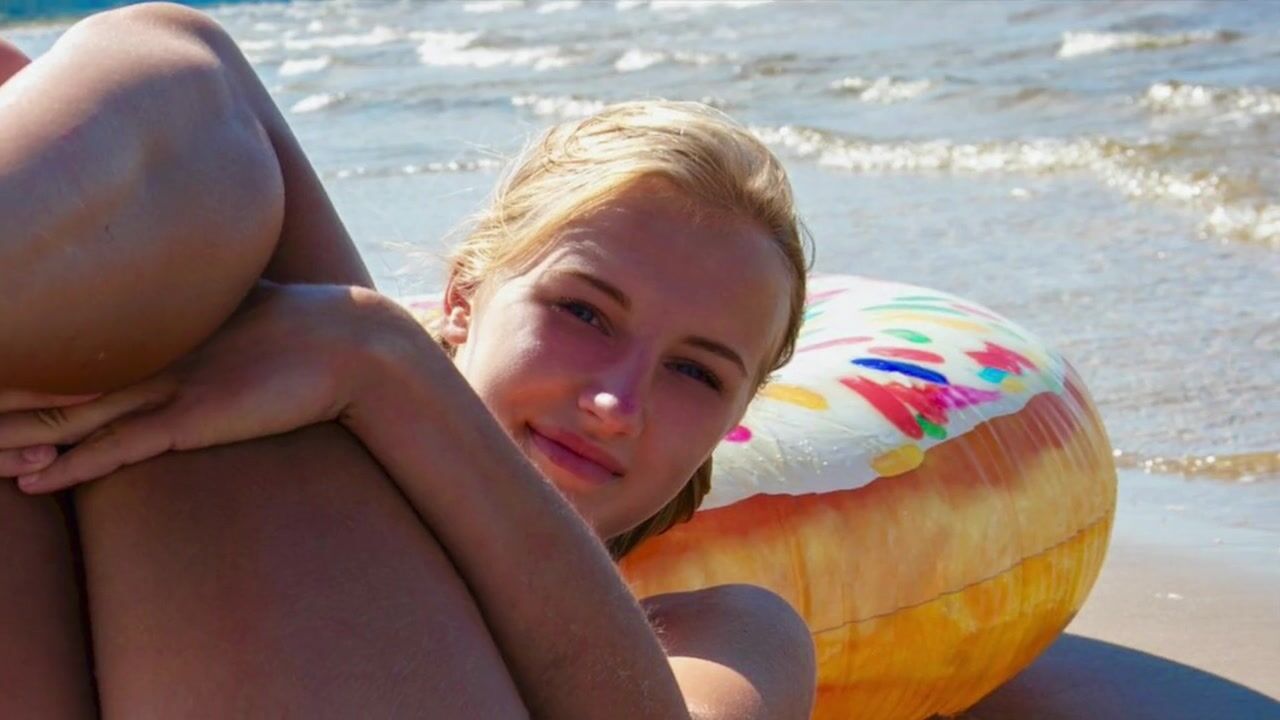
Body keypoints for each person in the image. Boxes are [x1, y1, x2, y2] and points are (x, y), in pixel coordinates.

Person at [0, 4, 816, 718]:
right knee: (182, 85)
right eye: (583, 312)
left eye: (697, 373)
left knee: (190, 80)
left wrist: (384, 359)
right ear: (461, 298)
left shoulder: (730, 636)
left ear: (732, 419)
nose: (616, 403)